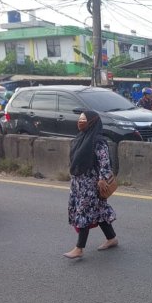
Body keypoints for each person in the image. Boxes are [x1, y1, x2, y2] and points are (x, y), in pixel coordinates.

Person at [64, 111, 118, 259]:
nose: (80, 122)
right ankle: (111, 238)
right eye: (79, 119)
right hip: (79, 183)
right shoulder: (81, 138)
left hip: (92, 183)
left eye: (84, 120)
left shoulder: (98, 141)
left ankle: (79, 248)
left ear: (92, 122)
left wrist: (102, 179)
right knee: (99, 211)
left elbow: (105, 163)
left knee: (84, 212)